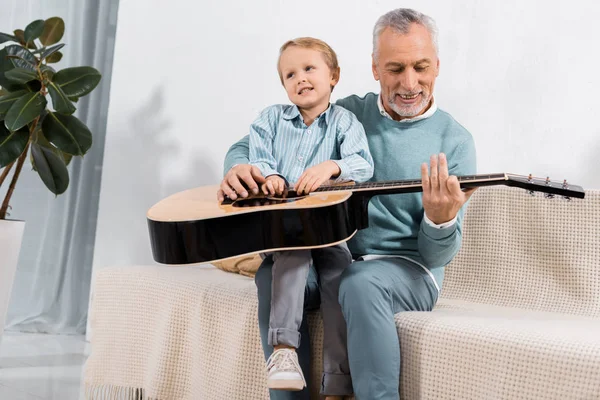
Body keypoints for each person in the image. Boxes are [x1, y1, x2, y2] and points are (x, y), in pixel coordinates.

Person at [218, 8, 477, 400]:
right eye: (395, 68)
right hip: (328, 254)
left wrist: (440, 221)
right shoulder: (345, 115)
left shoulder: (455, 141)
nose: (410, 83)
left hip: (408, 269)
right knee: (272, 272)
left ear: (437, 66)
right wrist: (239, 166)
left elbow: (436, 256)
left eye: (421, 67)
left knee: (359, 282)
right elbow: (258, 141)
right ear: (374, 68)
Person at [247, 37, 373, 399]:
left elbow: (363, 164)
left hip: (330, 233)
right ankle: (284, 352)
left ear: (333, 76)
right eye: (290, 74)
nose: (300, 78)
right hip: (284, 231)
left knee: (339, 278)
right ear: (283, 85)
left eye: (309, 69)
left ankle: (337, 380)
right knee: (293, 252)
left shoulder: (344, 123)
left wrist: (332, 166)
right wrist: (268, 175)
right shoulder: (270, 119)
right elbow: (258, 157)